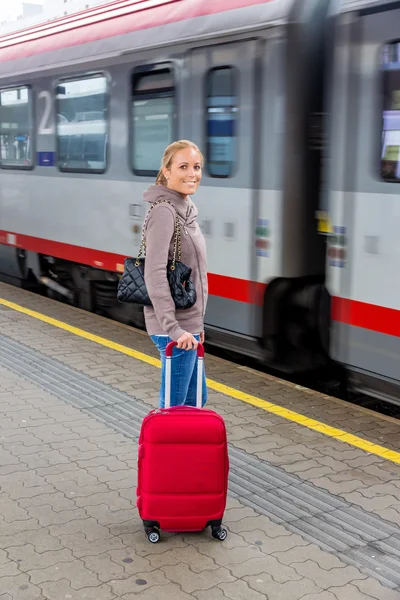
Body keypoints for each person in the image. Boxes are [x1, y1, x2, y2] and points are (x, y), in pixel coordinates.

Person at [143, 140, 208, 409]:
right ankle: (157, 452)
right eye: (183, 166)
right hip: (175, 330)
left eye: (197, 166)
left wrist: (197, 325)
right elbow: (154, 273)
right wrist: (174, 329)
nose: (192, 173)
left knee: (194, 401)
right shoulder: (164, 212)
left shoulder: (186, 210)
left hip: (189, 327)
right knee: (173, 408)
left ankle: (183, 452)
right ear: (166, 171)